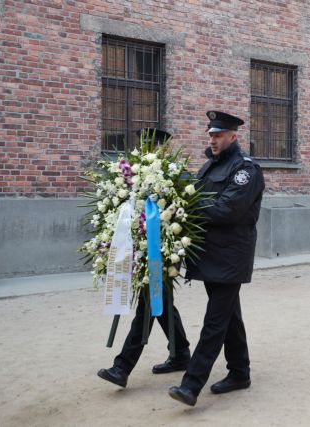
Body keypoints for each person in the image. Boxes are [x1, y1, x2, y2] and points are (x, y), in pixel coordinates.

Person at [168, 111, 265, 407]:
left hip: (231, 256)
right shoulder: (210, 165)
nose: (213, 140)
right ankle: (240, 372)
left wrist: (186, 207)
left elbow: (227, 210)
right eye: (211, 135)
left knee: (215, 321)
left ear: (233, 136)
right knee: (229, 316)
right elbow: (198, 195)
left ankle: (191, 385)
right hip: (211, 254)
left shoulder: (245, 169)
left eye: (219, 135)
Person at [97, 128, 190, 389]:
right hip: (141, 249)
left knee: (149, 305)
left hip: (165, 251)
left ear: (164, 148)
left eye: (152, 145)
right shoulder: (136, 174)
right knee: (161, 303)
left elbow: (185, 213)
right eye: (144, 145)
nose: (147, 149)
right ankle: (181, 353)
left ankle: (122, 367)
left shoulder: (176, 175)